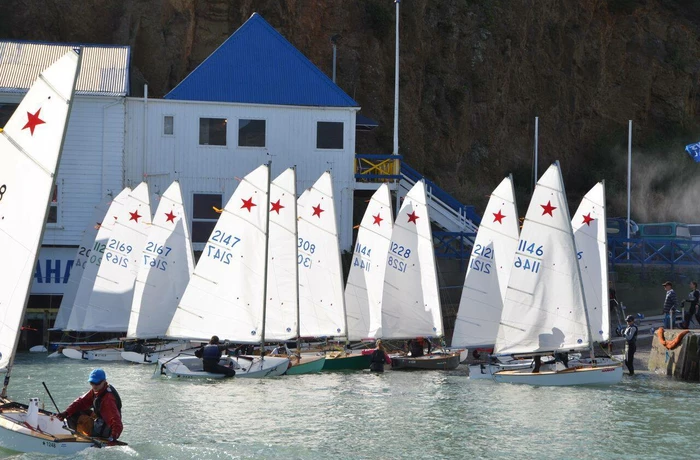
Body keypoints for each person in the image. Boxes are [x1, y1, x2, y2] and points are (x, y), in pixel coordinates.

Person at [56, 368, 122, 442]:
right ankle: (82, 433)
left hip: (103, 431)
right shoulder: (98, 390)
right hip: (101, 421)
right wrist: (66, 413)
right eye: (92, 382)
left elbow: (117, 422)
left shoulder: (108, 400)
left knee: (72, 416)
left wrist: (113, 439)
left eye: (97, 383)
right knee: (73, 411)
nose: (94, 386)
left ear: (104, 381)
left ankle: (78, 438)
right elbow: (80, 402)